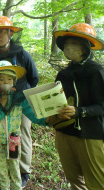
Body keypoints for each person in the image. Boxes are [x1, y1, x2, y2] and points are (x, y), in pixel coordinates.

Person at [0, 16, 39, 187]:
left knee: (23, 131)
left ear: (10, 33)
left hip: (20, 100)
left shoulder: (22, 54)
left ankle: (24, 170)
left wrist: (23, 97)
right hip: (0, 100)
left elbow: (34, 79)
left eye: (2, 32)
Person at [51, 23, 104, 190]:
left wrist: (80, 111)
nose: (68, 47)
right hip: (64, 131)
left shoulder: (96, 72)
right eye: (66, 43)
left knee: (97, 182)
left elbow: (102, 106)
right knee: (73, 178)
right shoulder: (63, 74)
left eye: (73, 43)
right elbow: (55, 100)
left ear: (84, 48)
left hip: (89, 134)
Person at [0, 60, 49, 189]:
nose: (6, 82)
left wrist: (47, 121)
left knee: (14, 165)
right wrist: (2, 105)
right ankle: (4, 187)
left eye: (9, 79)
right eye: (1, 79)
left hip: (14, 140)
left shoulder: (19, 99)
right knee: (1, 166)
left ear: (14, 82)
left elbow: (32, 115)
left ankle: (17, 187)